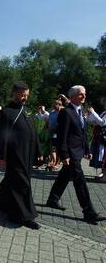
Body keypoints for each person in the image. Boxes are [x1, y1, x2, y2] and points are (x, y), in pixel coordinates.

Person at [46, 86, 105, 224]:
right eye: (80, 94)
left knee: (64, 176)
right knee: (80, 182)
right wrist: (64, 154)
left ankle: (52, 199)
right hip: (71, 153)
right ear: (72, 96)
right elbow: (62, 135)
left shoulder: (79, 111)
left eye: (84, 94)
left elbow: (82, 132)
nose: (84, 96)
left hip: (78, 151)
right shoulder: (66, 112)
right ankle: (89, 212)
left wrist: (86, 150)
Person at [0, 82, 43, 229]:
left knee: (12, 181)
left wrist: (39, 151)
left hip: (27, 153)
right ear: (14, 93)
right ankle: (23, 216)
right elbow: (0, 137)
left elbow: (33, 132)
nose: (24, 98)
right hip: (14, 154)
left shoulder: (26, 111)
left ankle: (0, 202)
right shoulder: (6, 112)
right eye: (22, 95)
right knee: (22, 184)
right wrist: (1, 157)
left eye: (27, 95)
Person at [88, 100, 106, 182]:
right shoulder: (104, 113)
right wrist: (90, 115)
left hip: (103, 137)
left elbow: (102, 123)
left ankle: (104, 175)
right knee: (101, 156)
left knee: (103, 156)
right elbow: (96, 122)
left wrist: (93, 112)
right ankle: (103, 174)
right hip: (100, 136)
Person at [47, 100, 63, 171]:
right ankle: (52, 162)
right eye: (53, 103)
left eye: (55, 104)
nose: (53, 105)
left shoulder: (61, 113)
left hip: (57, 132)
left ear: (59, 105)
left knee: (56, 148)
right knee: (52, 147)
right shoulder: (51, 112)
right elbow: (49, 121)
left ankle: (55, 163)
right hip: (51, 132)